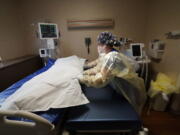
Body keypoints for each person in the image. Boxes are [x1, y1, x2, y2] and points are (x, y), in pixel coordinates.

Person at [79, 32, 146, 113]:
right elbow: (98, 67)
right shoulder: (107, 54)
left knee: (131, 110)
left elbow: (101, 80)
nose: (98, 47)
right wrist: (85, 70)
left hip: (129, 87)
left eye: (99, 44)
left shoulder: (112, 58)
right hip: (120, 84)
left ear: (105, 45)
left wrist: (82, 79)